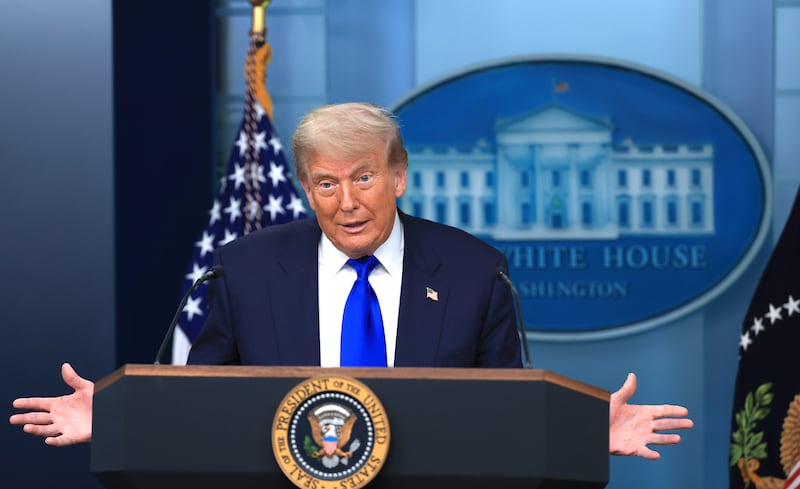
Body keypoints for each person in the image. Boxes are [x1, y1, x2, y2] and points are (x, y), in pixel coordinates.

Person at [10, 103, 693, 459]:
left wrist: (582, 431)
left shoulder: (471, 270)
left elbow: (506, 408)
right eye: (327, 183)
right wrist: (120, 416)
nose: (347, 202)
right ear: (306, 189)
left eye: (364, 177)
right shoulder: (246, 267)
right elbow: (200, 397)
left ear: (398, 176)